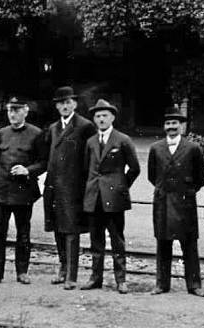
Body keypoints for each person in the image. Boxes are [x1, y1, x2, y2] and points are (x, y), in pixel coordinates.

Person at [0, 95, 46, 287]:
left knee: (23, 233)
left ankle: (22, 272)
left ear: (25, 111)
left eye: (17, 110)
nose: (13, 114)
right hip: (3, 190)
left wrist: (28, 170)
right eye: (10, 110)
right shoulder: (2, 133)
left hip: (23, 191)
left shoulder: (36, 134)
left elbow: (44, 162)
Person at [81, 98, 140, 295]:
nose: (101, 119)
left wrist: (120, 187)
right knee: (95, 241)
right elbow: (86, 169)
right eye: (97, 116)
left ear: (112, 117)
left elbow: (134, 168)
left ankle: (121, 280)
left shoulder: (123, 140)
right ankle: (95, 278)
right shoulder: (90, 142)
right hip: (94, 197)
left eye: (105, 115)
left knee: (117, 240)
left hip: (114, 199)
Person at [147, 106, 204, 297]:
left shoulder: (193, 148)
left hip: (185, 203)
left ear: (182, 126)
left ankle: (194, 285)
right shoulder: (155, 148)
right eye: (168, 123)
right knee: (163, 243)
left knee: (189, 244)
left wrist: (186, 190)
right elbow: (152, 175)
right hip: (163, 202)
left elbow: (201, 177)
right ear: (164, 126)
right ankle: (161, 284)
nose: (171, 127)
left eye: (175, 123)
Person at [43, 85, 96, 290]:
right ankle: (63, 268)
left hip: (74, 187)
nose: (64, 106)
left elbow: (89, 158)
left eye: (68, 102)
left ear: (74, 104)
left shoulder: (85, 126)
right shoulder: (53, 128)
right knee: (58, 228)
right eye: (61, 103)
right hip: (54, 186)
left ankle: (71, 276)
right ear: (56, 107)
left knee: (71, 231)